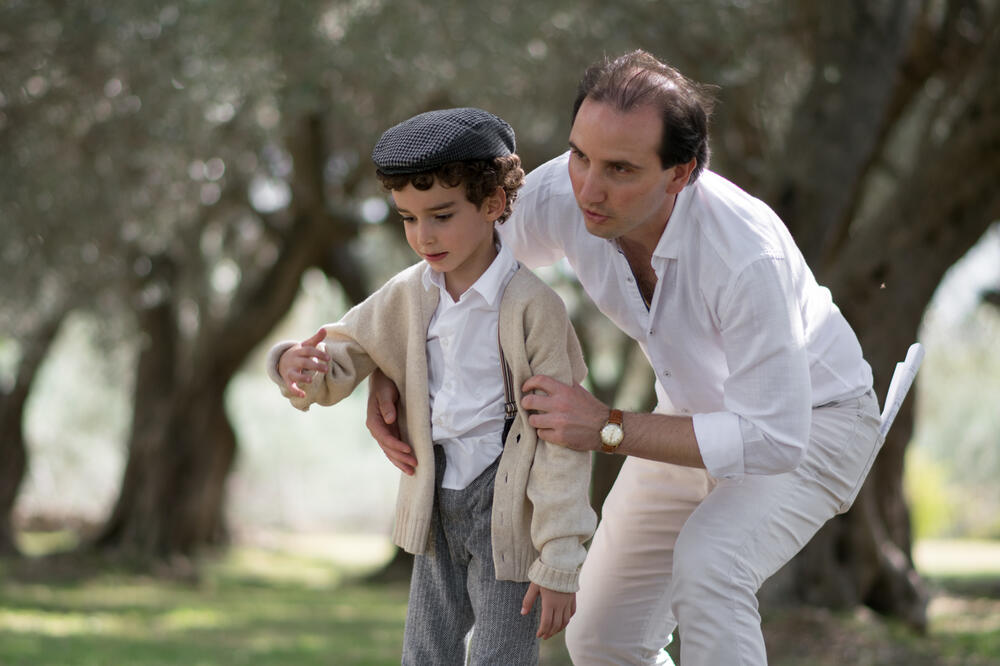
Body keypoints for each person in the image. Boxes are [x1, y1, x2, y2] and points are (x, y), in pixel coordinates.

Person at [366, 52, 882, 665]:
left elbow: (774, 438)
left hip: (816, 424)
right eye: (580, 155)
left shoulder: (745, 256)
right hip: (687, 416)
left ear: (679, 173)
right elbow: (454, 257)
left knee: (711, 568)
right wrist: (387, 364)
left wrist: (606, 426)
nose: (588, 187)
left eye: (620, 169)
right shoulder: (564, 192)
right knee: (601, 635)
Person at [266, 107, 596, 665]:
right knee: (424, 656)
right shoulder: (406, 295)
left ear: (492, 203)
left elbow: (563, 441)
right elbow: (340, 354)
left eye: (441, 215)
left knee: (499, 659)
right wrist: (289, 364)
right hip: (436, 504)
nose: (424, 236)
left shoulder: (535, 309)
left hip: (508, 512)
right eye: (408, 219)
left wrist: (560, 558)